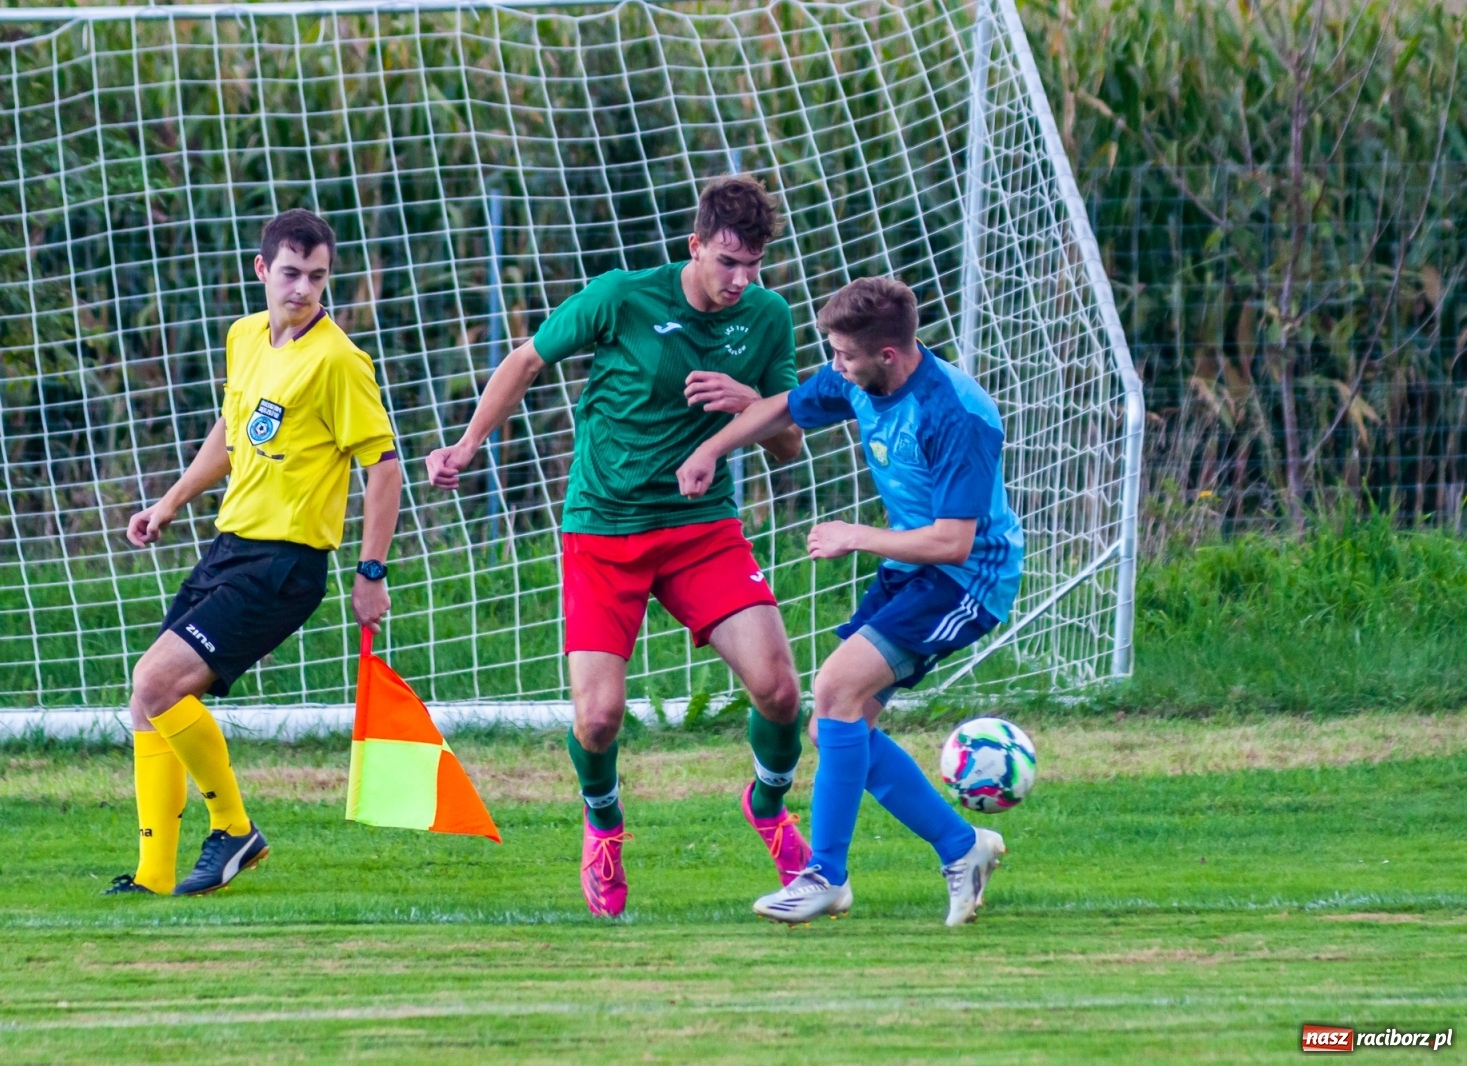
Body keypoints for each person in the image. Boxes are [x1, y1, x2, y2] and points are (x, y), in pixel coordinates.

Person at [426, 175, 809, 917]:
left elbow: (789, 445)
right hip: (603, 530)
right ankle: (603, 821)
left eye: (755, 264)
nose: (742, 280)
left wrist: (752, 407)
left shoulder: (767, 319)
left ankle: (769, 803)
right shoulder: (622, 296)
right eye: (728, 261)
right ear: (694, 247)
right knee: (597, 719)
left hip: (703, 530)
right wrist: (470, 444)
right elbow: (526, 361)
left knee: (781, 688)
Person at [677, 276, 1025, 926]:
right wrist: (710, 451)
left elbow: (954, 542)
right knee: (836, 726)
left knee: (834, 690)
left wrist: (853, 537)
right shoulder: (857, 378)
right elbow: (782, 408)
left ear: (887, 355)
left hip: (967, 579)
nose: (835, 366)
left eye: (844, 355)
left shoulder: (957, 415)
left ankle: (826, 876)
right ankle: (962, 846)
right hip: (909, 569)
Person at [107, 209, 401, 897]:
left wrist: (371, 571)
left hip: (285, 563)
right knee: (148, 699)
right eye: (291, 273)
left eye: (318, 277)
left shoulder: (339, 362)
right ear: (262, 270)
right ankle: (153, 876)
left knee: (156, 682)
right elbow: (231, 433)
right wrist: (170, 501)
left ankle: (235, 829)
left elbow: (383, 467)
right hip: (231, 545)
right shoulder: (244, 337)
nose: (303, 289)